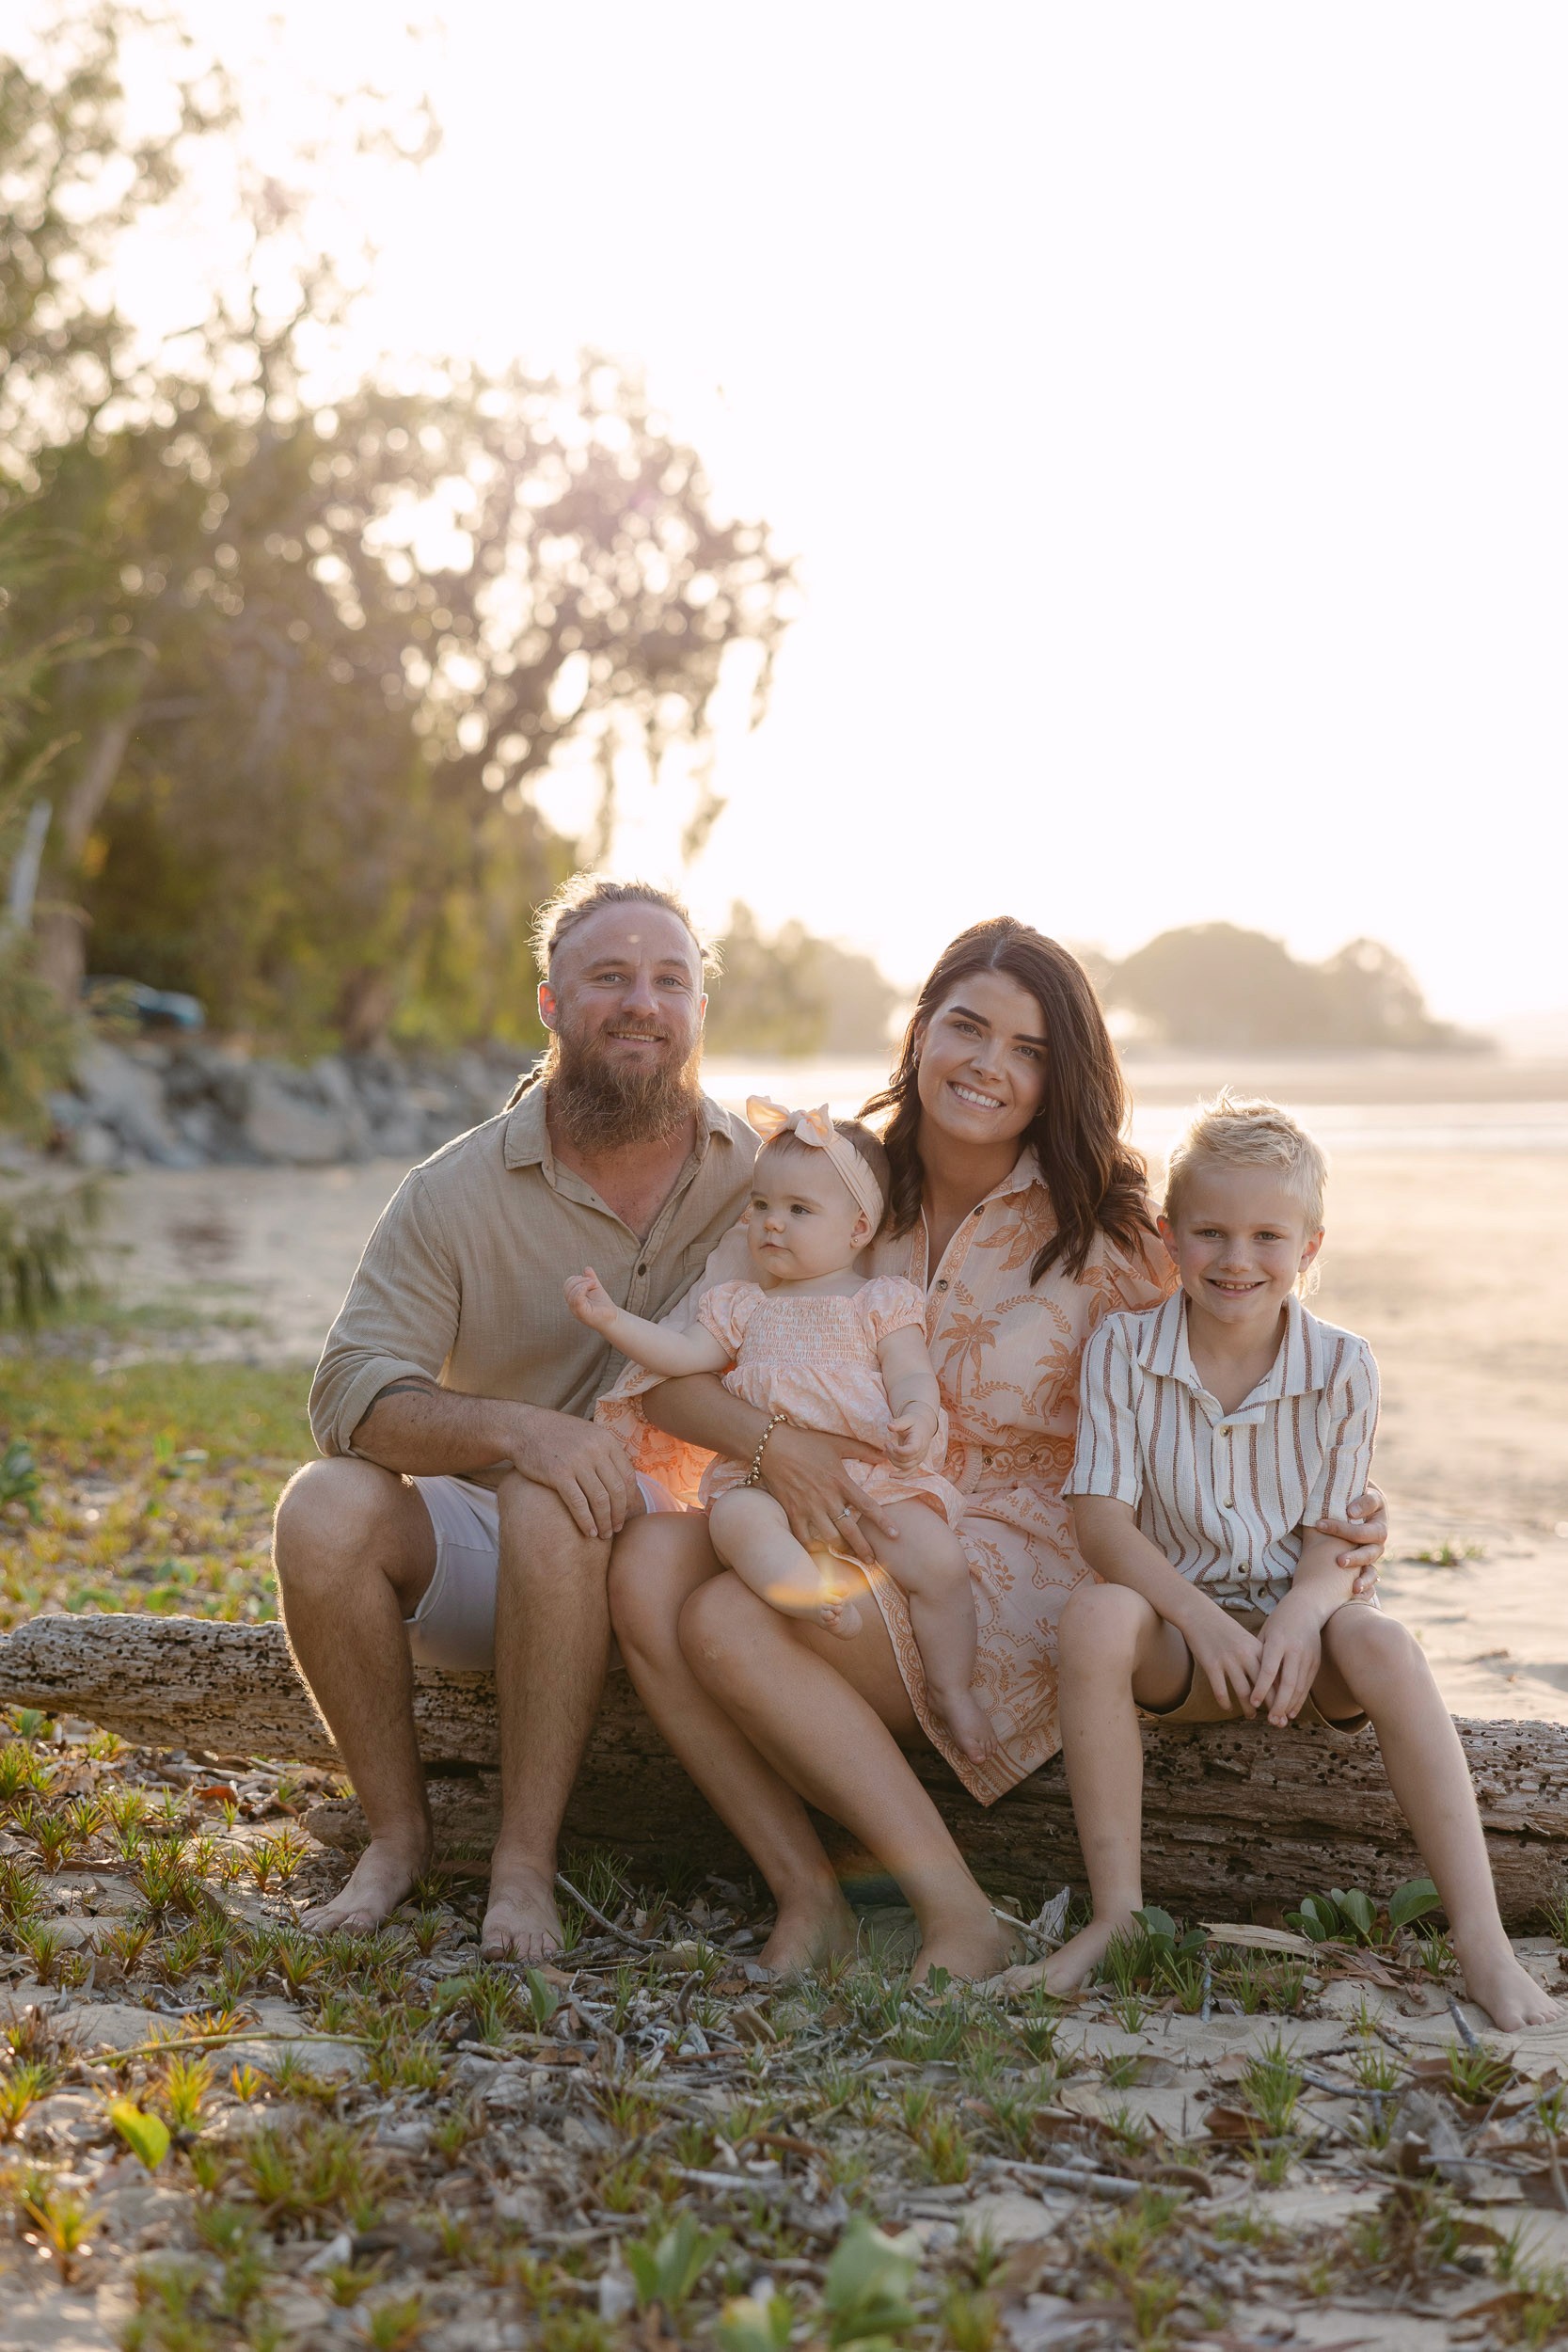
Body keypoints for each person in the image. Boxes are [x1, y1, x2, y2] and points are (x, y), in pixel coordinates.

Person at [602, 921, 1390, 1981]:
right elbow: (679, 1370)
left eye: (1027, 1049)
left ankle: (952, 1910)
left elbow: (1235, 1368)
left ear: (1058, 1076)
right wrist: (779, 1444)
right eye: (966, 1028)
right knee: (649, 1563)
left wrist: (1332, 1521)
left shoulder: (1104, 1223)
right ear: (921, 1031)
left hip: (1013, 1552)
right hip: (806, 1495)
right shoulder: (832, 1172)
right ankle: (803, 1888)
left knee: (726, 1618)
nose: (988, 1064)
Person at [996, 1091, 1555, 2030]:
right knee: (1095, 1614)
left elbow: (1341, 1533)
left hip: (1307, 1643)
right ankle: (1117, 1917)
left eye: (1266, 1236)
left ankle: (1482, 1942)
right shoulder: (1124, 1350)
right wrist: (1199, 1618)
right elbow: (1100, 1522)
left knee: (1388, 1648)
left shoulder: (1342, 1364)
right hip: (1180, 1644)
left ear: (1309, 1247)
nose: (1236, 1258)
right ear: (1170, 1236)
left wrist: (1299, 1613)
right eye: (1210, 1232)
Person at [272, 875, 756, 1958]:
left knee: (554, 1505)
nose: (641, 1001)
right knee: (323, 1510)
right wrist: (518, 1430)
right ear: (549, 1003)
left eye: (668, 979)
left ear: (698, 1013)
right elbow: (348, 1389)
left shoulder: (760, 1175)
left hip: (688, 1551)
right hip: (505, 1542)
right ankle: (397, 1841)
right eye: (609, 978)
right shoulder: (453, 1189)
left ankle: (523, 1864)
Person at [566, 1100, 996, 1765]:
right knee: (736, 1521)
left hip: (872, 1481)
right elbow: (679, 1359)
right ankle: (802, 1594)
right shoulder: (741, 1305)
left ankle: (952, 1689)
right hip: (764, 1479)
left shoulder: (877, 1301)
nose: (771, 1224)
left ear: (858, 1228)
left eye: (799, 1211)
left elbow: (911, 1375)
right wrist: (610, 1319)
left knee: (937, 1561)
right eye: (762, 1205)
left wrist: (917, 1417)